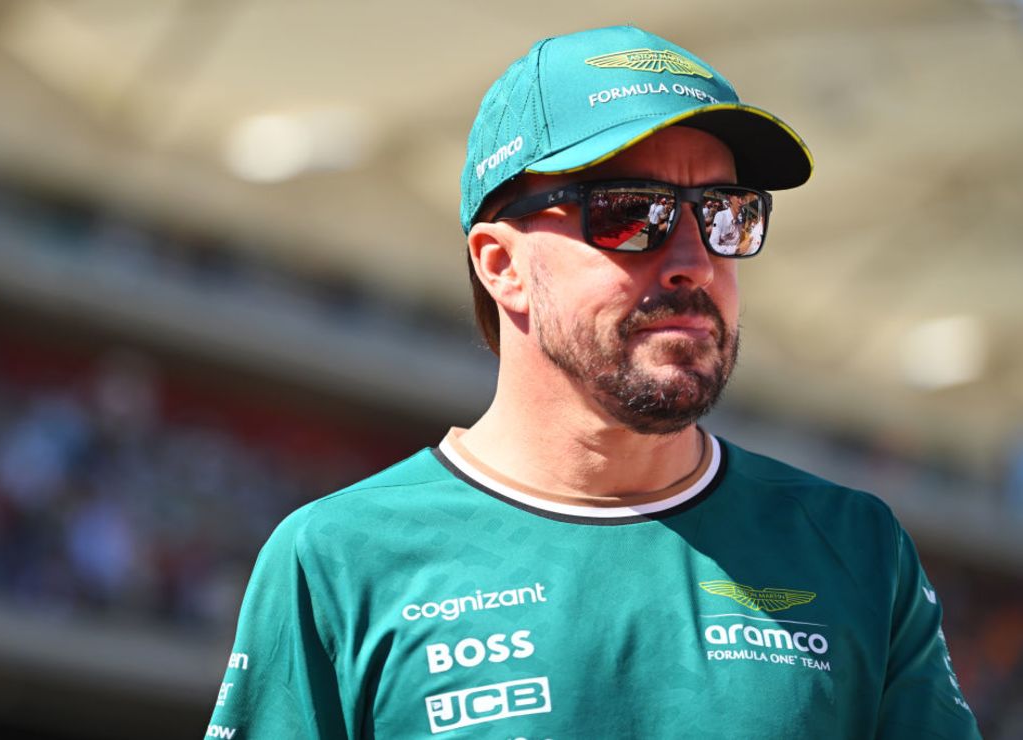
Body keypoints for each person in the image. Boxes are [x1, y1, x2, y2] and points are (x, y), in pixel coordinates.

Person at [205, 26, 981, 739]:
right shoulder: (339, 559)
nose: (695, 260)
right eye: (630, 213)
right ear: (501, 265)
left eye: (724, 213)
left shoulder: (855, 547)